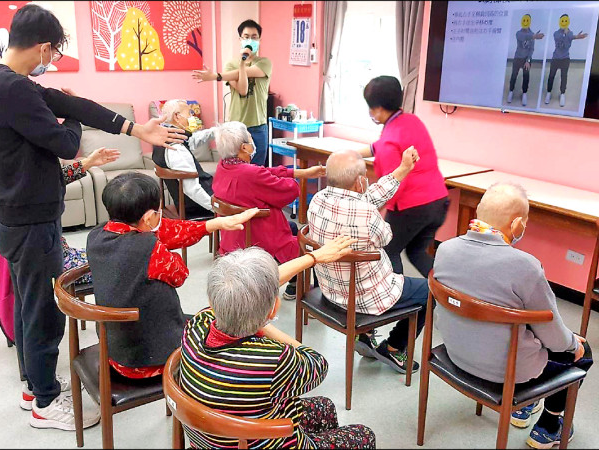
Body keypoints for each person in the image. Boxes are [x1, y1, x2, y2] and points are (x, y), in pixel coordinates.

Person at [0, 4, 185, 431]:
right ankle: (46, 403)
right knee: (42, 313)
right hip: (30, 222)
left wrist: (137, 130)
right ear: (45, 48)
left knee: (27, 307)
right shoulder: (14, 90)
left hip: (19, 217)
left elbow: (84, 107)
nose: (52, 63)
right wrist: (69, 111)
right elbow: (67, 142)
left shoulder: (1, 81)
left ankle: (34, 387)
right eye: (53, 54)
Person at [432, 182, 593, 449]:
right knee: (581, 352)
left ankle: (522, 409)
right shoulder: (526, 267)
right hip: (505, 373)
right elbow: (554, 338)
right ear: (517, 224)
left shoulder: (445, 249)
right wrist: (575, 343)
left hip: (454, 354)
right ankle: (548, 427)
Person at [180, 244, 377, 449]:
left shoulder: (197, 324)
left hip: (213, 439)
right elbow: (318, 364)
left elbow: (241, 290)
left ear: (213, 303)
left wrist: (313, 258)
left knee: (324, 406)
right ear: (274, 309)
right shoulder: (273, 360)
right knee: (364, 435)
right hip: (260, 440)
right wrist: (263, 325)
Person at [86, 172, 257, 379]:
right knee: (225, 325)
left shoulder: (96, 236)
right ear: (148, 218)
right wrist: (161, 248)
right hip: (151, 357)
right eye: (159, 212)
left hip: (115, 348)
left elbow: (167, 230)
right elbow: (180, 275)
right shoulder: (149, 248)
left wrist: (216, 224)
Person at [307, 148, 432, 374]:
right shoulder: (366, 213)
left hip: (331, 290)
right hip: (363, 297)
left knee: (392, 268)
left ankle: (364, 336)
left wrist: (402, 170)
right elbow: (386, 237)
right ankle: (394, 348)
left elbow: (366, 199)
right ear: (359, 182)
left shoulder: (317, 200)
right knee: (430, 291)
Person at [0, 130, 118, 285]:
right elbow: (48, 180)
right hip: (57, 265)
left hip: (45, 261)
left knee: (104, 253)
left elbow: (48, 179)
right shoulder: (14, 197)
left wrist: (89, 162)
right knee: (119, 264)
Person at [211, 121, 324, 300]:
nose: (252, 142)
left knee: (293, 227)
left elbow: (262, 171)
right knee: (312, 242)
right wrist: (295, 180)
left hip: (233, 238)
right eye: (250, 139)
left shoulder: (224, 166)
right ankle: (318, 297)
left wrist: (301, 173)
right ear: (243, 147)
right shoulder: (251, 175)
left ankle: (294, 285)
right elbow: (289, 191)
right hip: (258, 239)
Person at [363, 76, 450, 277]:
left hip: (412, 207)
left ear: (378, 109)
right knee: (416, 252)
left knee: (388, 252)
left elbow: (392, 187)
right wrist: (352, 153)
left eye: (370, 107)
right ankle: (445, 293)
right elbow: (381, 145)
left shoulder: (389, 141)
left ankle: (398, 301)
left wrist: (369, 211)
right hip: (438, 201)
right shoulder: (411, 120)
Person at [192, 19, 271, 166]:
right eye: (246, 36)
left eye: (254, 37)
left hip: (258, 127)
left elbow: (248, 73)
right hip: (236, 128)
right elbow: (242, 90)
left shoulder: (265, 63)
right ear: (240, 39)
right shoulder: (231, 65)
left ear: (259, 39)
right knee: (236, 170)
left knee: (257, 171)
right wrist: (241, 63)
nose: (250, 40)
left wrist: (216, 76)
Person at [152, 99, 215, 219]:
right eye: (189, 113)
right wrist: (216, 208)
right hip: (196, 206)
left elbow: (192, 140)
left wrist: (216, 131)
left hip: (186, 203)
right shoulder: (176, 149)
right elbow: (192, 190)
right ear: (177, 117)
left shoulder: (165, 139)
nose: (192, 117)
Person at [544, 14, 588, 107]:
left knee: (564, 76)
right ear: (560, 22)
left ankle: (562, 94)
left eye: (565, 21)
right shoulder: (556, 33)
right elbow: (559, 39)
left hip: (565, 59)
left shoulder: (570, 33)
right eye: (562, 21)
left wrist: (576, 36)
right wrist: (568, 35)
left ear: (568, 22)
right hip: (555, 58)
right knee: (551, 75)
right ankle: (549, 92)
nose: (564, 23)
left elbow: (568, 45)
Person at [507, 14, 544, 106]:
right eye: (524, 20)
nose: (525, 22)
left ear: (529, 22)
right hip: (517, 57)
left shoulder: (533, 35)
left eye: (527, 21)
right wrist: (533, 36)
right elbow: (522, 37)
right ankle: (511, 91)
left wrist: (528, 61)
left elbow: (531, 49)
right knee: (514, 75)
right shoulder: (518, 33)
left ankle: (524, 93)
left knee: (526, 76)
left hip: (526, 59)